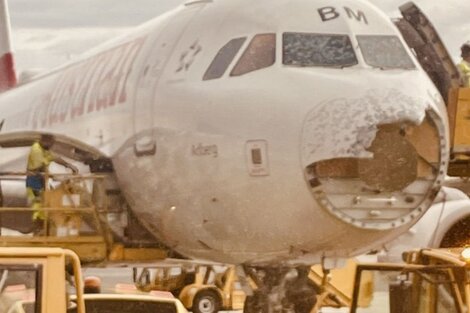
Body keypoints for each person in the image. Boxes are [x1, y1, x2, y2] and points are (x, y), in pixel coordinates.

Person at [26, 134, 78, 229]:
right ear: (45, 141)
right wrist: (53, 176)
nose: (51, 145)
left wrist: (68, 165)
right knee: (38, 204)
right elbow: (40, 167)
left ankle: (44, 227)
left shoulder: (44, 149)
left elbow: (54, 157)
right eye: (51, 143)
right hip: (34, 180)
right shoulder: (36, 150)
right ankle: (39, 226)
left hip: (40, 179)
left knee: (44, 202)